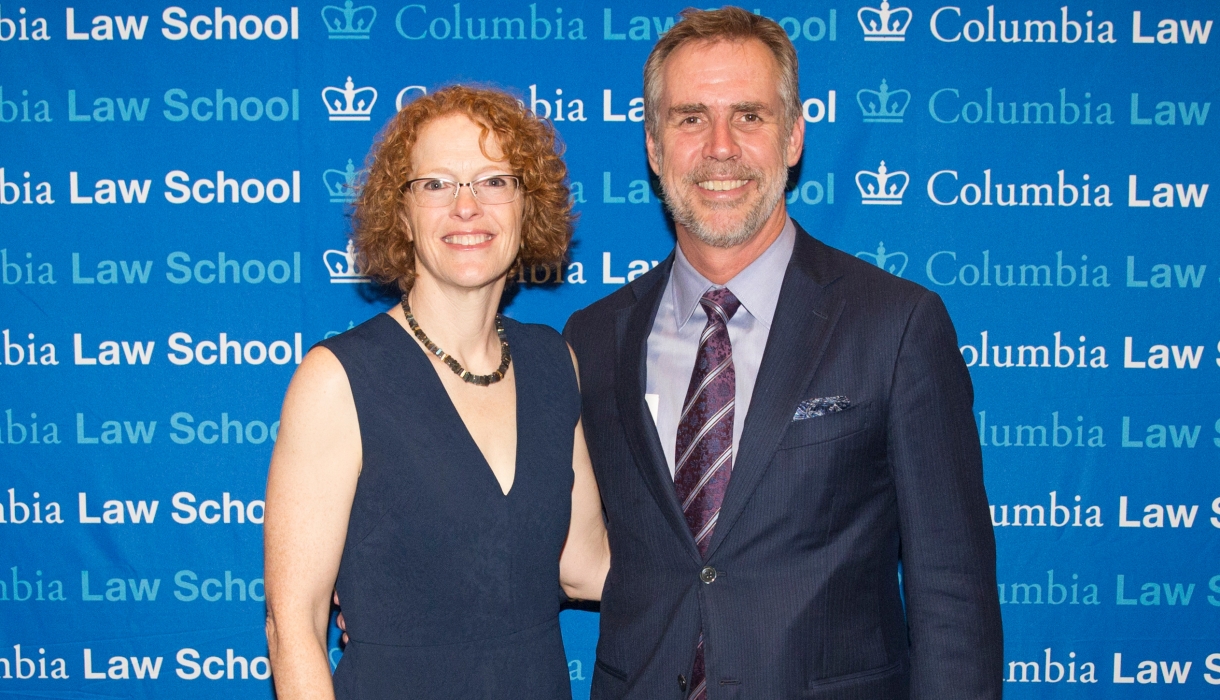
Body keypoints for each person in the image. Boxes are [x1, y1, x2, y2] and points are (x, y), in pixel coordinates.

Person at [563, 8, 1003, 699]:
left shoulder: (896, 325)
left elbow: (953, 594)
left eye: (749, 116)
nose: (720, 147)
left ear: (794, 136)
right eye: (688, 119)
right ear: (652, 146)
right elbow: (537, 526)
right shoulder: (591, 339)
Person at [264, 85, 610, 700]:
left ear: (528, 206)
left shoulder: (553, 362)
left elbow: (584, 568)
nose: (467, 206)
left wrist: (738, 571)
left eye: (494, 181)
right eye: (436, 185)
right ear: (400, 214)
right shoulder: (337, 380)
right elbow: (294, 627)